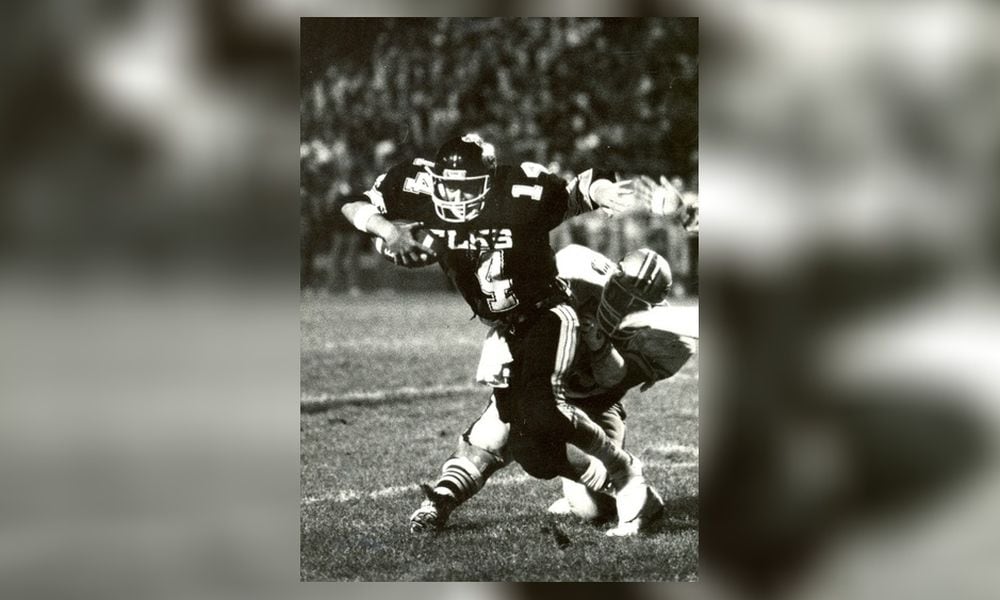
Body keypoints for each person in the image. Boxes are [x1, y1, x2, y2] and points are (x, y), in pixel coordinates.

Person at [341, 133, 654, 535]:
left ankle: (622, 477)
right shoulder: (421, 186)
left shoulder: (521, 195)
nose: (455, 197)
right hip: (510, 333)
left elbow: (576, 192)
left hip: (568, 362)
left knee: (586, 503)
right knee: (507, 441)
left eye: (465, 188)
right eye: (448, 186)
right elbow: (354, 205)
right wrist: (387, 230)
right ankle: (441, 499)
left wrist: (601, 188)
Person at [409, 244, 697, 535]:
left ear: (654, 306)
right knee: (489, 438)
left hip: (594, 405)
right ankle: (439, 501)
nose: (623, 306)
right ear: (612, 278)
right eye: (620, 293)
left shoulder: (670, 340)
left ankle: (609, 484)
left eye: (635, 303)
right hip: (541, 382)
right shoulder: (575, 270)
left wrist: (598, 347)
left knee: (592, 510)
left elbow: (611, 383)